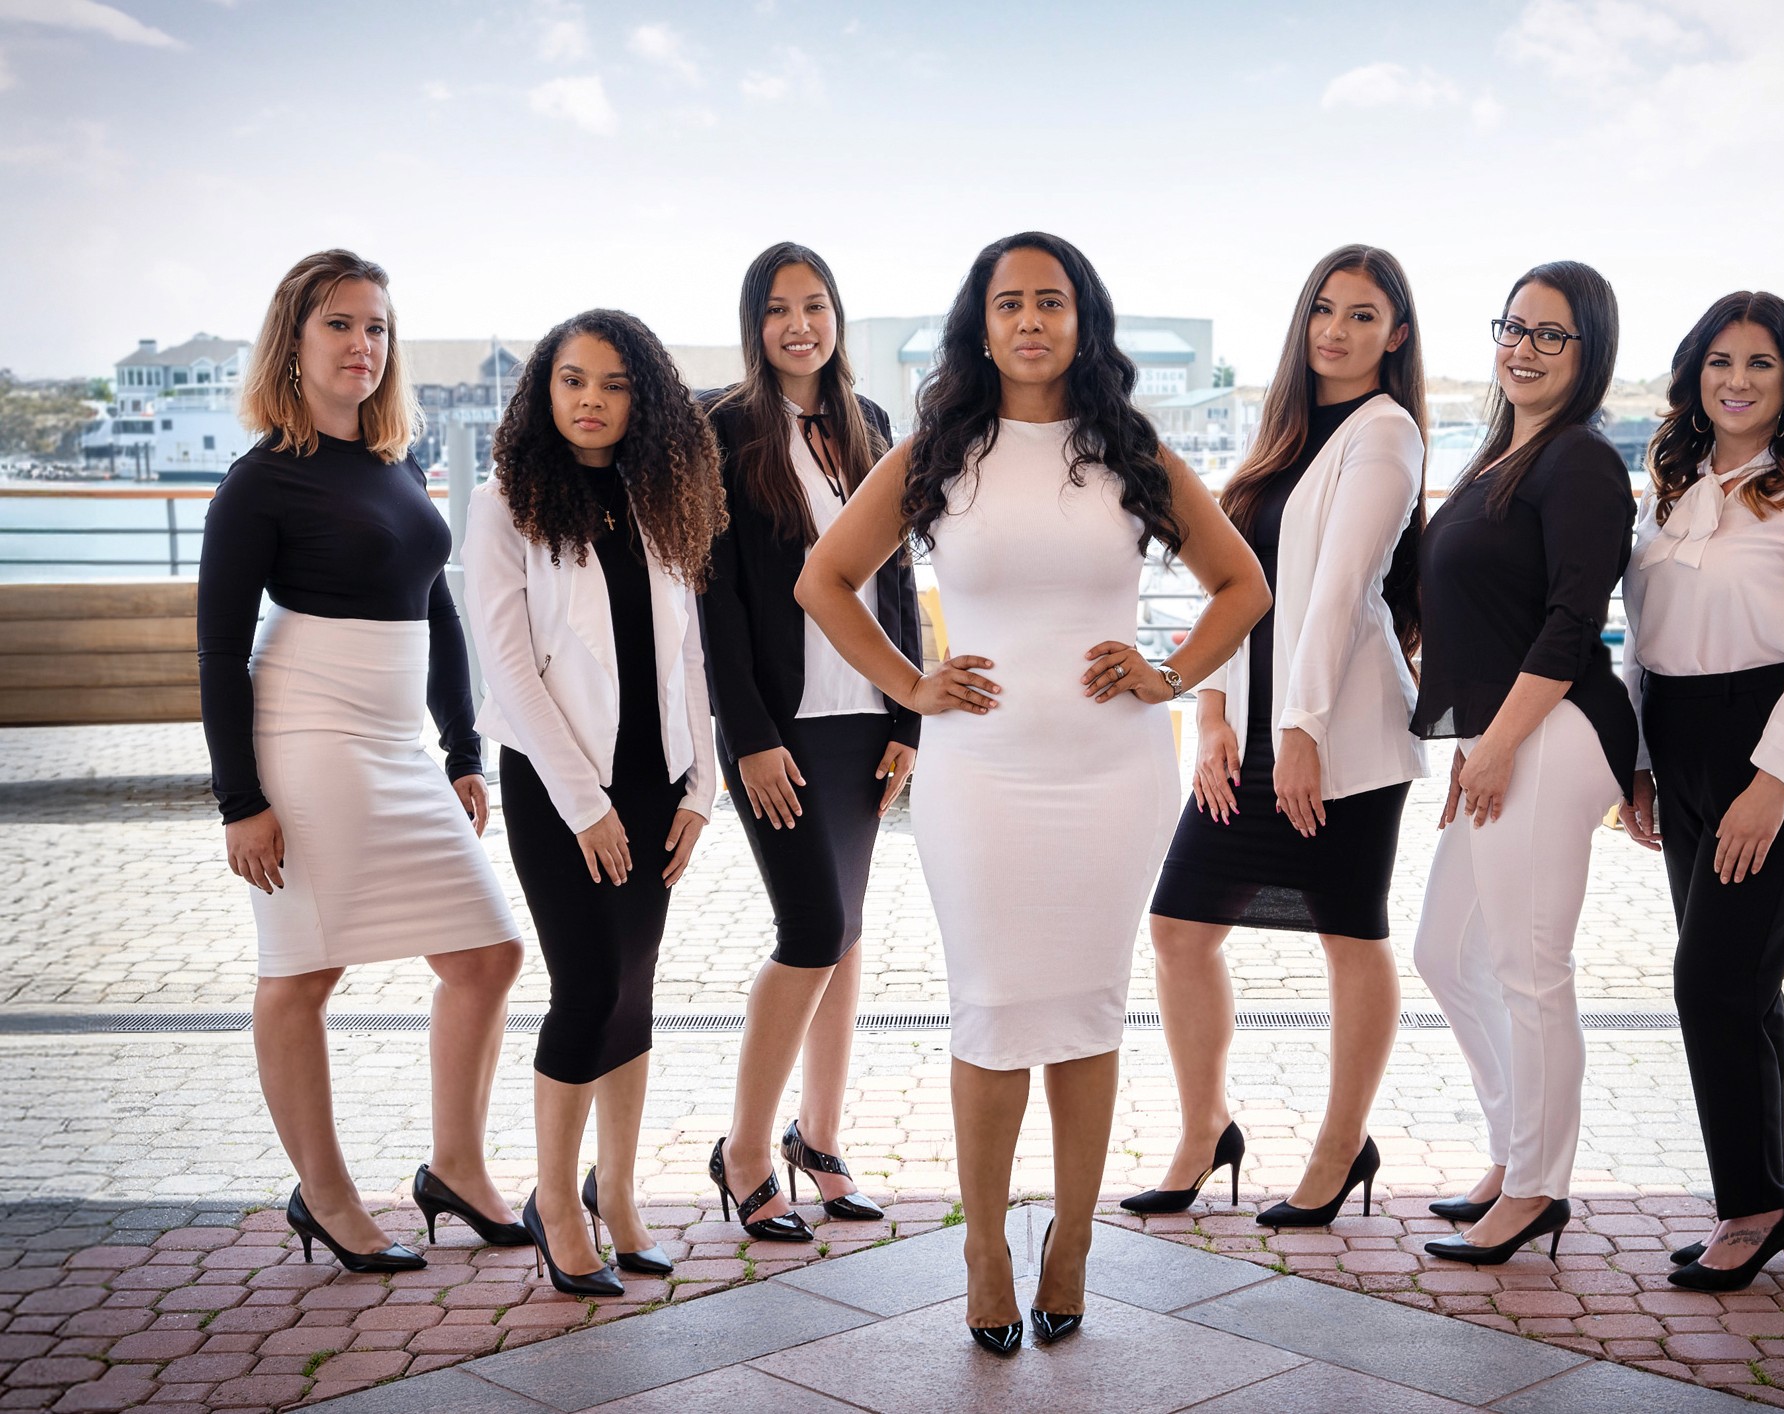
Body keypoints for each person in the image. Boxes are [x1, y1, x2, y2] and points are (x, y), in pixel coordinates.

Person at [795, 233, 1268, 1354]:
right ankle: (984, 1247)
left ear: (1081, 319)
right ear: (981, 323)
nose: (1030, 321)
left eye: (1050, 301)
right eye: (1009, 303)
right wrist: (911, 684)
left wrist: (1173, 673)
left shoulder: (1131, 449)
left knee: (1089, 1010)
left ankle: (1072, 1243)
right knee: (997, 1007)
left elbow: (1242, 582)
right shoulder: (938, 451)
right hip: (983, 778)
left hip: (1112, 772)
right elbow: (824, 578)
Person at [198, 249, 527, 1272]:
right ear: (293, 341)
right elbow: (215, 647)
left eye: (376, 327)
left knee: (487, 955)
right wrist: (240, 800)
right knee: (303, 970)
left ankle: (456, 1169)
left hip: (397, 745)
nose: (361, 344)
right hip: (308, 737)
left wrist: (463, 747)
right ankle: (327, 1195)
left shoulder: (394, 459)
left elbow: (435, 598)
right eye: (339, 324)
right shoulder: (258, 485)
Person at [1128, 245, 1428, 1226]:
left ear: (1398, 334)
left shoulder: (1384, 436)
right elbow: (1233, 583)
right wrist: (1209, 714)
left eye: (1363, 315)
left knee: (1350, 935)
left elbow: (1340, 592)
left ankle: (1343, 1145)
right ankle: (1205, 1128)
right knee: (1178, 930)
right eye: (1324, 311)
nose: (1337, 331)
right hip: (1248, 734)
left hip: (1337, 737)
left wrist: (1300, 730)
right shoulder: (1286, 434)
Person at [464, 309, 725, 1295]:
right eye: (572, 380)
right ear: (544, 391)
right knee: (584, 989)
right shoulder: (505, 506)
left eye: (613, 384)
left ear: (643, 399)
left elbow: (688, 653)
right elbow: (510, 671)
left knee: (634, 989)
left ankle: (617, 1194)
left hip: (656, 783)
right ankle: (555, 1203)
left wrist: (702, 787)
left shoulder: (661, 498)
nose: (590, 400)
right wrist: (585, 803)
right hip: (554, 784)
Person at [1620, 291, 1784, 1290]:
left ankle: (1749, 1205)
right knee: (1744, 987)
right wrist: (1638, 758)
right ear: (1694, 375)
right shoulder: (1674, 486)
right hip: (1678, 744)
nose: (1736, 380)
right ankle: (1771, 1196)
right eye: (1719, 361)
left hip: (1770, 749)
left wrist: (1776, 778)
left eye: (1759, 363)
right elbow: (1644, 638)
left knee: (1709, 982)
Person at [1409, 261, 1636, 1266]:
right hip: (1501, 733)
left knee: (1530, 969)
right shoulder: (1504, 453)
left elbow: (1571, 622)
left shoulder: (1580, 461)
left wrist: (1495, 743)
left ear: (1588, 353)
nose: (1525, 347)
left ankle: (1540, 1187)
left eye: (1553, 334)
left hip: (1555, 729)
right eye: (1514, 326)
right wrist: (1473, 738)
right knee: (1446, 952)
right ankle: (1516, 1150)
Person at [697, 244, 918, 1243]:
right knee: (811, 931)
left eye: (815, 305)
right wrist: (746, 735)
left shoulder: (867, 425)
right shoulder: (723, 428)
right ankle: (743, 1150)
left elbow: (897, 578)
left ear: (837, 316)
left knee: (849, 930)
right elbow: (718, 596)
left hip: (865, 717)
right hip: (780, 731)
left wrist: (909, 713)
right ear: (756, 324)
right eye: (779, 308)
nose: (799, 324)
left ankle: (818, 1139)